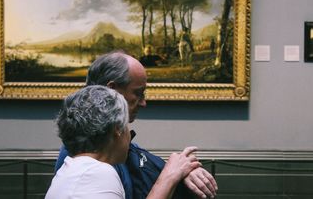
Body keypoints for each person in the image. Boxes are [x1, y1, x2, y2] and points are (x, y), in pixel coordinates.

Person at [54, 51, 218, 199]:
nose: (144, 103)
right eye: (138, 93)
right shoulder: (91, 165)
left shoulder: (111, 147)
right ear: (112, 91)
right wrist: (170, 176)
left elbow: (154, 165)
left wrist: (185, 170)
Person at [46, 85, 201, 199]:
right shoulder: (96, 173)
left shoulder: (74, 168)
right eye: (126, 124)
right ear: (117, 129)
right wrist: (170, 175)